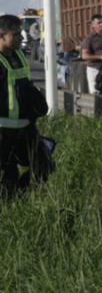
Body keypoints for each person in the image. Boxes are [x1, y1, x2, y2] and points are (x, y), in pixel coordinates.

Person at [0, 14, 52, 193]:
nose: (21, 38)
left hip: (26, 127)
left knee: (45, 165)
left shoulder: (20, 56)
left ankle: (20, 196)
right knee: (9, 177)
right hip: (2, 131)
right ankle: (11, 206)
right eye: (16, 34)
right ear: (1, 35)